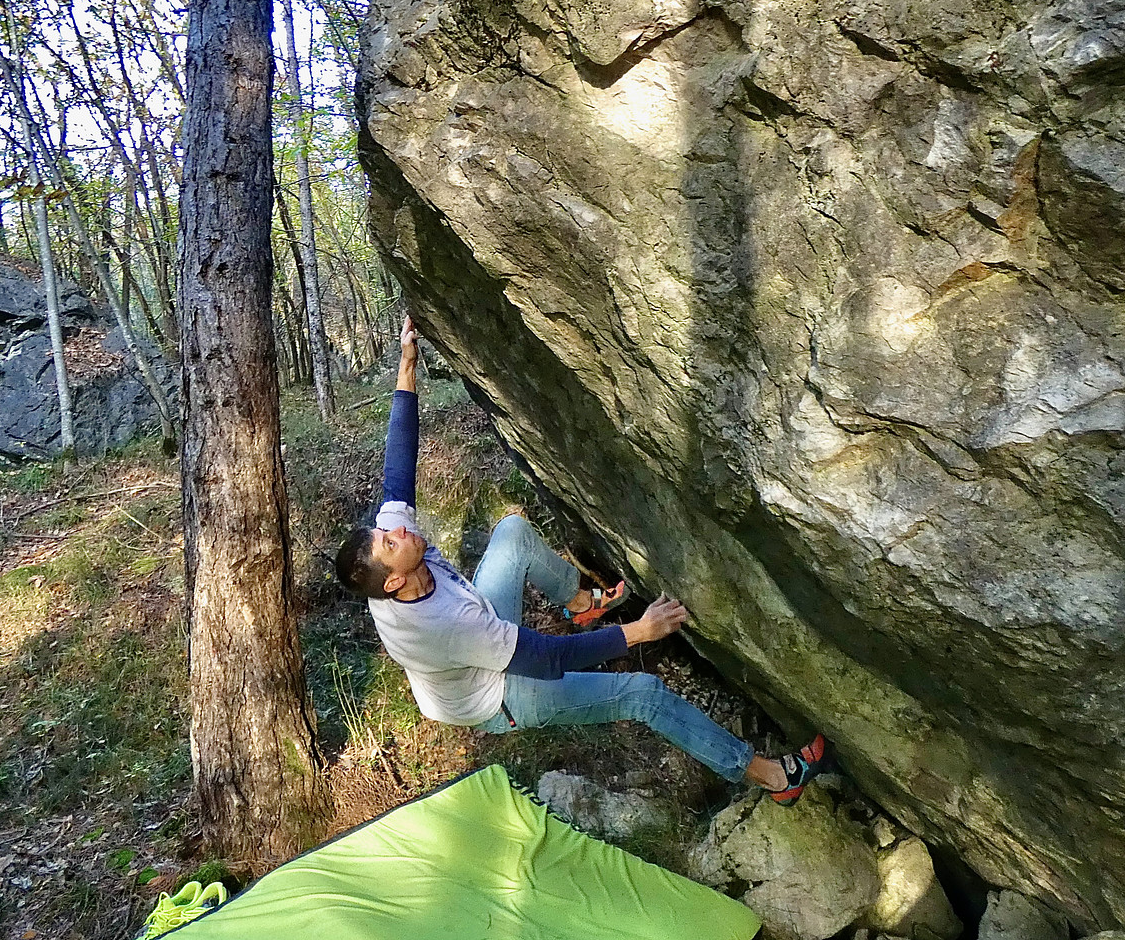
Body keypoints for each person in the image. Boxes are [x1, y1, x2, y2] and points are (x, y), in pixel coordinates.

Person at [335, 317, 827, 804]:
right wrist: (640, 631)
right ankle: (772, 777)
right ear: (394, 583)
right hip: (499, 694)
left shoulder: (399, 564)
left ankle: (580, 603)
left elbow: (397, 472)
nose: (399, 530)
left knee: (512, 533)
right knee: (642, 694)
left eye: (388, 531)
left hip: (475, 639)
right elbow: (548, 658)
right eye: (390, 543)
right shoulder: (446, 626)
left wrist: (407, 365)